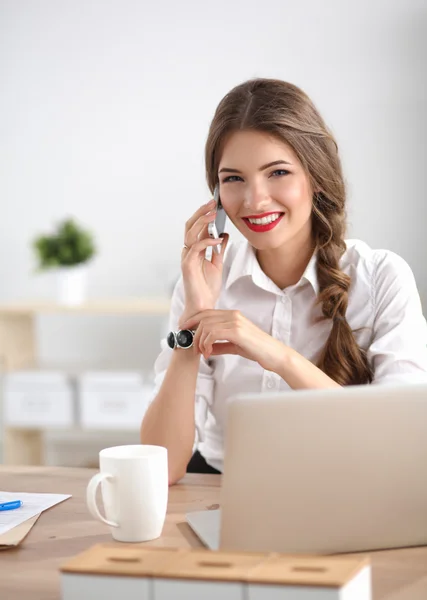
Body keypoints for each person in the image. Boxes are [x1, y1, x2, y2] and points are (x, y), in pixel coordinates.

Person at [140, 78, 427, 485]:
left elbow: (401, 442)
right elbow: (163, 467)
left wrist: (274, 353)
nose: (254, 200)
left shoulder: (381, 277)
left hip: (348, 490)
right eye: (233, 179)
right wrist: (191, 324)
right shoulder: (202, 281)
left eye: (277, 172)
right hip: (225, 490)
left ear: (317, 177)